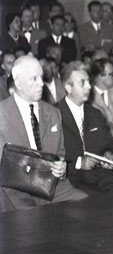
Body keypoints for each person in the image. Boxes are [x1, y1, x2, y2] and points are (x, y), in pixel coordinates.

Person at [0, 55, 88, 210]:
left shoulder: (53, 112)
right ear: (18, 83)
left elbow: (60, 153)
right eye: (34, 79)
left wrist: (61, 167)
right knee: (32, 218)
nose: (41, 83)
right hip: (15, 190)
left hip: (52, 185)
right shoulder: (2, 114)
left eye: (41, 77)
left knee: (86, 205)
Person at [57, 62, 113, 195]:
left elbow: (109, 144)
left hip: (98, 174)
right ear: (68, 87)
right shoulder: (54, 114)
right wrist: (79, 163)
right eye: (82, 83)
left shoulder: (94, 113)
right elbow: (51, 155)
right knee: (100, 201)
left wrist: (109, 154)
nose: (89, 86)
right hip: (71, 179)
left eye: (89, 82)